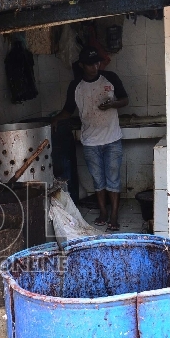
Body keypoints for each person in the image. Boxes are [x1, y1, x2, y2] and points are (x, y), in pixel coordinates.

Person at [51, 46, 128, 231]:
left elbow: (125, 100)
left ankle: (114, 215)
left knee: (113, 179)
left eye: (97, 63)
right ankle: (103, 212)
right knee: (98, 180)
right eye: (90, 64)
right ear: (82, 65)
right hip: (90, 141)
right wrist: (54, 119)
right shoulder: (76, 86)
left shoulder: (110, 78)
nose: (95, 67)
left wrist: (113, 104)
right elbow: (68, 111)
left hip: (112, 139)